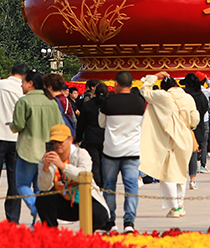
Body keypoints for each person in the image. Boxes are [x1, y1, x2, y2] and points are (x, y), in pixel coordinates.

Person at [139, 72, 199, 218]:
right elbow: (195, 119)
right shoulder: (188, 97)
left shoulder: (163, 96)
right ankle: (180, 205)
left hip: (169, 139)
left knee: (168, 174)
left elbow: (144, 90)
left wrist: (154, 76)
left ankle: (174, 208)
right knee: (181, 172)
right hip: (186, 138)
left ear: (164, 88)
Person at [37, 124, 112, 231]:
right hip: (64, 201)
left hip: (85, 199)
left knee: (99, 216)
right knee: (43, 199)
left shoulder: (81, 154)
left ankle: (89, 233)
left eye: (61, 141)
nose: (58, 145)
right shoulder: (47, 158)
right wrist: (45, 169)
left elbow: (84, 175)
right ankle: (51, 232)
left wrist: (62, 166)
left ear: (70, 140)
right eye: (55, 142)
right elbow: (43, 187)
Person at [13, 69, 64, 225]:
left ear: (30, 83)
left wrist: (12, 126)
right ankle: (39, 221)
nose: (21, 85)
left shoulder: (24, 101)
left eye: (23, 81)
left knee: (22, 184)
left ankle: (36, 210)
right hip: (47, 150)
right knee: (40, 188)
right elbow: (59, 125)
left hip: (28, 149)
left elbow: (18, 125)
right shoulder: (51, 102)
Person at [99, 70, 147, 233]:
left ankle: (111, 221)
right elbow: (142, 124)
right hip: (132, 152)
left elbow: (101, 123)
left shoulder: (108, 101)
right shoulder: (140, 102)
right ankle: (129, 222)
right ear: (132, 84)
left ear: (116, 84)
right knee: (131, 187)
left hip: (111, 151)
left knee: (109, 187)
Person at [0, 62, 27, 222]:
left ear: (11, 72)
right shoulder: (24, 90)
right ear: (25, 76)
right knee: (15, 179)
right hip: (16, 138)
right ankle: (13, 217)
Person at [75, 80, 107, 189]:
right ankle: (104, 184)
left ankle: (97, 184)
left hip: (91, 137)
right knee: (104, 162)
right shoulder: (109, 104)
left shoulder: (87, 105)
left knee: (95, 162)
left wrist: (78, 138)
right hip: (106, 138)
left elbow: (81, 123)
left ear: (94, 92)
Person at [181, 74, 210, 187]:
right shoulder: (202, 96)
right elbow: (204, 110)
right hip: (198, 127)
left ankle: (180, 177)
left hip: (183, 126)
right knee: (193, 154)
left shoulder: (184, 95)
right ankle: (192, 180)